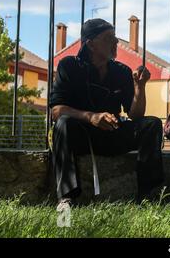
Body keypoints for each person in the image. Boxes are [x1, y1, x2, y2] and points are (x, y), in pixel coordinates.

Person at [50, 18, 164, 209]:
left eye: (115, 37)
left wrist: (139, 87)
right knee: (62, 124)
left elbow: (135, 115)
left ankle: (148, 195)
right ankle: (66, 199)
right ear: (90, 44)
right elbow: (56, 110)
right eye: (108, 38)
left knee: (151, 124)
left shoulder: (121, 71)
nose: (116, 42)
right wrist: (91, 117)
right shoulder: (69, 66)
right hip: (82, 136)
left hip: (112, 134)